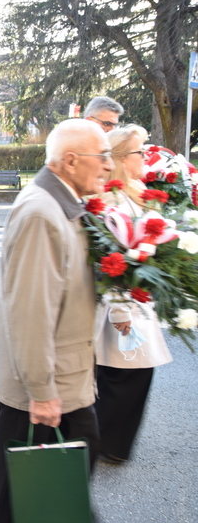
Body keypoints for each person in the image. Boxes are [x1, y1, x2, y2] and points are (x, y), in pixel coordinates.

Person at [0, 119, 113, 523]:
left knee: (35, 494)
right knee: (25, 496)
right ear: (70, 161)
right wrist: (41, 391)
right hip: (45, 386)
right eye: (102, 156)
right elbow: (30, 311)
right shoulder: (42, 213)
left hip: (64, 376)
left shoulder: (64, 204)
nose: (108, 166)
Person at [92, 124, 173, 463]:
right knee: (123, 377)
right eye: (141, 151)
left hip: (135, 303)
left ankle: (109, 444)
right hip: (121, 310)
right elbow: (110, 258)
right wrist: (122, 311)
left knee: (130, 376)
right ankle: (105, 443)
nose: (146, 156)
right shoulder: (112, 199)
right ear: (123, 159)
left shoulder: (134, 191)